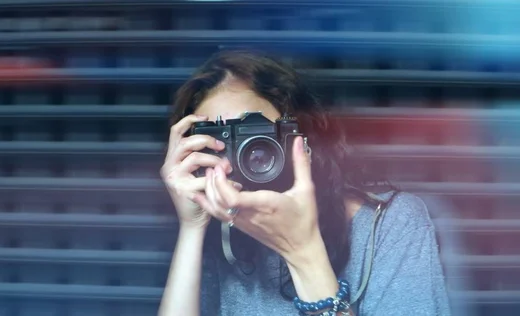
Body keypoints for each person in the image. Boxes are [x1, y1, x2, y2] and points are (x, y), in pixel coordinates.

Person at [157, 50, 451, 316]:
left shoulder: (390, 223)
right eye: (222, 140)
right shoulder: (217, 232)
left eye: (255, 133)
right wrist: (192, 227)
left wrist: (303, 252)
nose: (247, 154)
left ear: (301, 137)